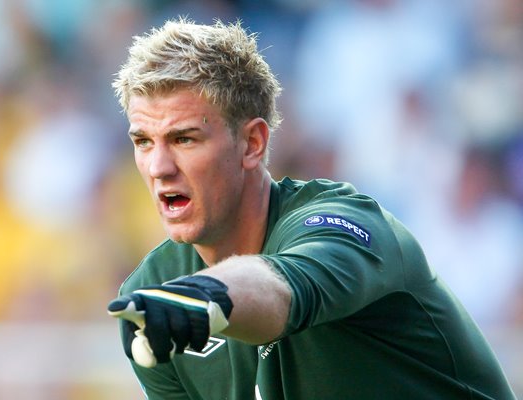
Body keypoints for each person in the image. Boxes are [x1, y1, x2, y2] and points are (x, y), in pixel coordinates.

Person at [107, 18, 516, 400]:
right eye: (143, 141)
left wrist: (208, 297)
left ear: (253, 143)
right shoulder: (152, 295)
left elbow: (282, 290)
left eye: (185, 139)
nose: (158, 167)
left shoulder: (345, 224)